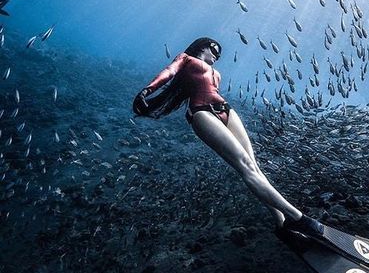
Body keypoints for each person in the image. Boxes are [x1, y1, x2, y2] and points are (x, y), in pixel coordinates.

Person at [133, 37, 323, 236]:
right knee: (245, 167)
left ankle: (281, 223)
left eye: (219, 53)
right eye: (214, 49)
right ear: (202, 46)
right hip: (202, 113)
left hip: (226, 110)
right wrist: (148, 89)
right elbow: (170, 72)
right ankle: (299, 218)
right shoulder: (186, 58)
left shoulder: (216, 73)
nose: (217, 54)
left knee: (254, 166)